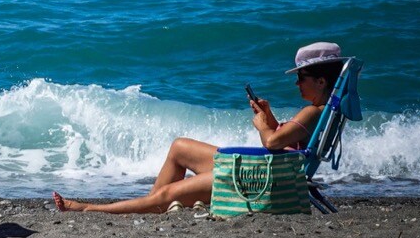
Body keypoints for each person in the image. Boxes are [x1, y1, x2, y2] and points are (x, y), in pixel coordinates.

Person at [52, 42, 346, 214]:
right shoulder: (321, 110)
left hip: (260, 178)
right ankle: (150, 205)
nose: (297, 83)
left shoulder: (312, 112)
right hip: (266, 169)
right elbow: (284, 142)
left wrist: (261, 126)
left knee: (169, 195)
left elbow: (271, 144)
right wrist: (268, 118)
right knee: (180, 146)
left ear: (320, 81)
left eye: (302, 77)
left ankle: (89, 208)